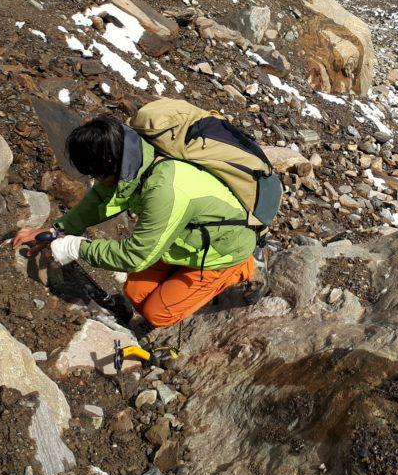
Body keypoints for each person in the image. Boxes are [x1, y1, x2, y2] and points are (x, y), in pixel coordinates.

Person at [13, 116, 257, 328]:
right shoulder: (129, 156)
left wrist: (74, 247)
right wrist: (58, 229)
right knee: (134, 293)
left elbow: (136, 257)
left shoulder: (164, 190)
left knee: (157, 314)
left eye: (95, 175)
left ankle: (242, 269)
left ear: (108, 165)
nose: (94, 180)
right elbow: (100, 198)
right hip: (181, 239)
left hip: (222, 250)